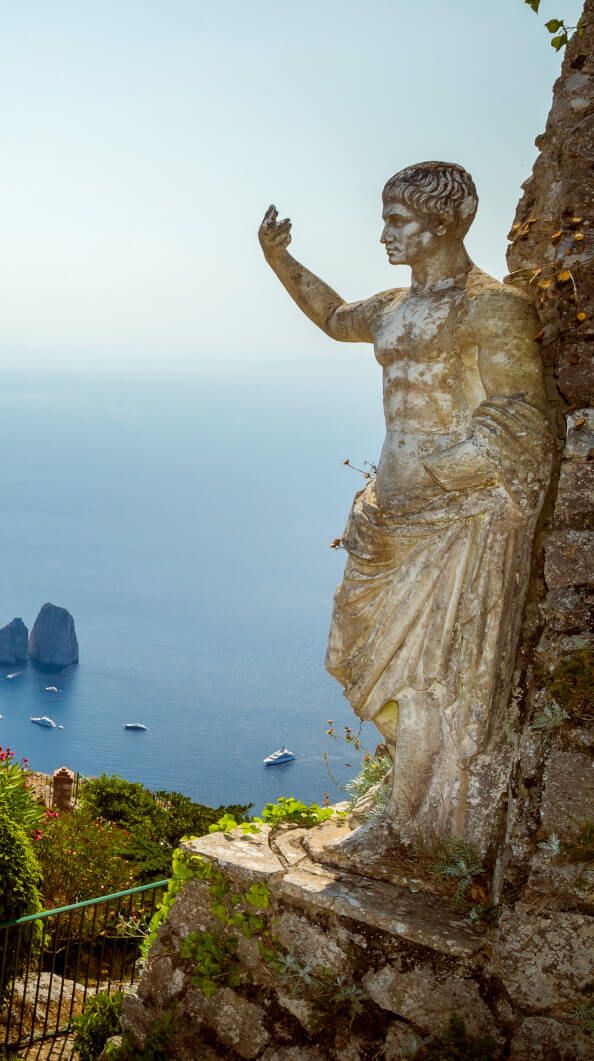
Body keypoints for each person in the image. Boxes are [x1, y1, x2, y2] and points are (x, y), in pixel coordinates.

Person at [259, 161, 554, 851]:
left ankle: (420, 822)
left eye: (398, 221)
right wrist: (281, 260)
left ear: (443, 223)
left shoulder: (493, 309)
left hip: (455, 523)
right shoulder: (393, 308)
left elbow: (522, 422)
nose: (384, 234)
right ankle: (407, 805)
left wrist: (449, 470)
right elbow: (334, 319)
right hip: (389, 517)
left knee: (433, 680)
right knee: (353, 651)